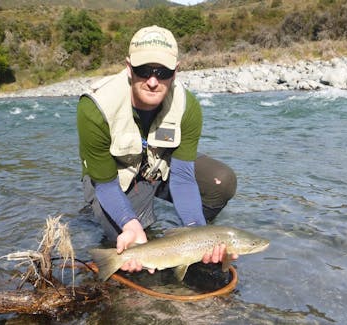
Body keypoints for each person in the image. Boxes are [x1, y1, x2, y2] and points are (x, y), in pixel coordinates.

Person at [77, 25, 237, 275]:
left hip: (158, 168)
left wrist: (197, 233)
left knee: (221, 181)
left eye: (162, 72)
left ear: (175, 72)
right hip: (112, 180)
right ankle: (106, 214)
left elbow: (183, 177)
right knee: (131, 242)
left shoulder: (188, 106)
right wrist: (130, 225)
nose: (153, 81)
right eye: (143, 71)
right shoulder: (95, 107)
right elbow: (105, 183)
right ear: (129, 68)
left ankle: (178, 243)